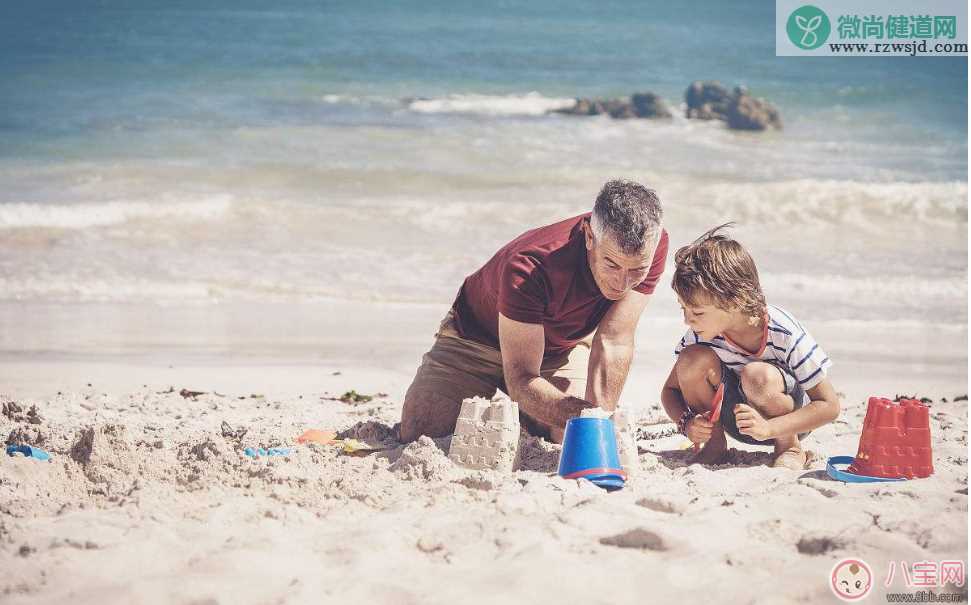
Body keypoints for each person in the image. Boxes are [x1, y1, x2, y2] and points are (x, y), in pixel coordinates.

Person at [397, 179, 669, 443]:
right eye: (611, 265)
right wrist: (580, 414)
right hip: (476, 338)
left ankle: (528, 418)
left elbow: (614, 339)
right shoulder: (530, 266)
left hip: (558, 347)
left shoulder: (652, 247)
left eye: (637, 271)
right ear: (589, 236)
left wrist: (599, 423)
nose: (622, 284)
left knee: (572, 435)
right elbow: (522, 378)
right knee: (420, 430)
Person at [660, 225, 840, 470]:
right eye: (684, 309)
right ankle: (714, 445)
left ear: (734, 301)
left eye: (697, 312)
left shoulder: (783, 331)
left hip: (789, 421)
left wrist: (770, 428)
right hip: (738, 420)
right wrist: (687, 423)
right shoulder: (701, 334)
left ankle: (789, 448)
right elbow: (670, 391)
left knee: (756, 375)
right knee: (691, 360)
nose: (687, 320)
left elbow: (829, 406)